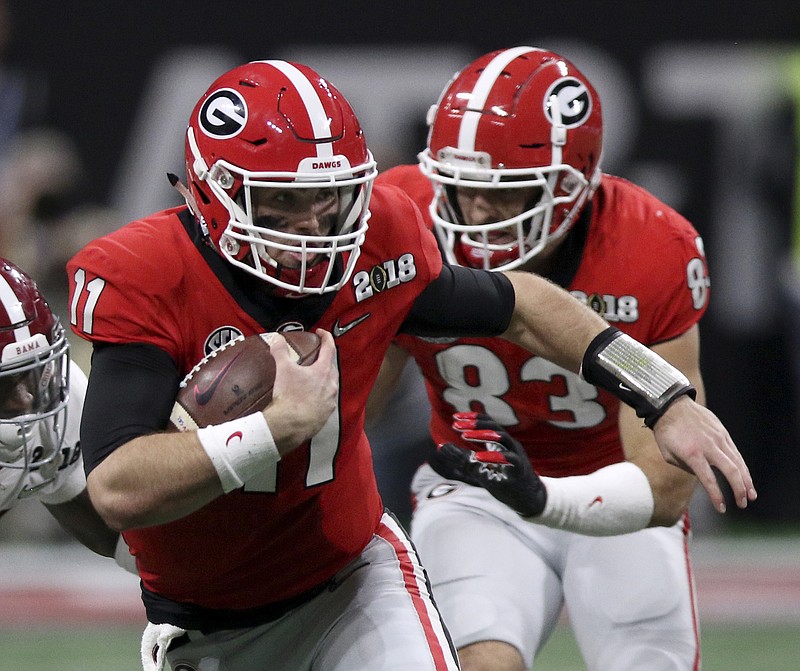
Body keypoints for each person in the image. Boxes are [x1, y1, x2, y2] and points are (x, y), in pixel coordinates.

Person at [65, 59, 754, 671]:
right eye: (281, 199)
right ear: (213, 192)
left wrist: (665, 394)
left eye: (325, 198)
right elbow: (119, 488)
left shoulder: (381, 239)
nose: (309, 225)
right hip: (214, 619)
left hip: (356, 578)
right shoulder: (144, 272)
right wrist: (275, 428)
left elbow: (522, 305)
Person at [367, 46, 725, 671]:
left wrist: (547, 500)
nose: (476, 213)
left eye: (505, 193)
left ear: (570, 184)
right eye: (461, 186)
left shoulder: (650, 246)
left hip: (617, 494)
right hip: (476, 486)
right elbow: (350, 409)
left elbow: (665, 488)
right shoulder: (404, 222)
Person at [0, 257, 131, 568]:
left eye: (30, 373)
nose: (26, 401)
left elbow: (115, 535)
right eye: (2, 386)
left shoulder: (57, 397)